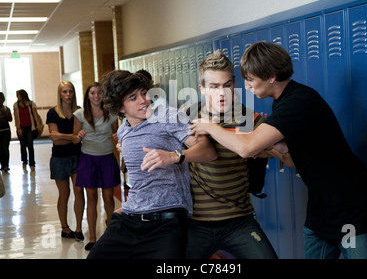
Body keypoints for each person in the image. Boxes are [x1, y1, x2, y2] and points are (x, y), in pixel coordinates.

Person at [189, 42, 367, 259]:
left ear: (271, 76)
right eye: (215, 86)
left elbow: (245, 148)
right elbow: (292, 159)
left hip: (350, 206)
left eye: (250, 79)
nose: (246, 87)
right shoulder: (281, 102)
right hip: (321, 207)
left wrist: (211, 127)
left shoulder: (298, 102)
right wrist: (272, 150)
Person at [87, 70, 217, 259]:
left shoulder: (168, 116)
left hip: (166, 221)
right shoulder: (123, 131)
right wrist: (132, 204)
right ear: (120, 108)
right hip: (129, 218)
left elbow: (208, 151)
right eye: (133, 97)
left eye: (144, 93)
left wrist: (174, 156)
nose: (143, 100)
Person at [182, 50, 278, 259]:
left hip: (239, 220)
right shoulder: (187, 116)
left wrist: (269, 149)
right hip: (195, 223)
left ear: (234, 84)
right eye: (214, 87)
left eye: (227, 85)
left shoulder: (249, 119)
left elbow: (284, 148)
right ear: (203, 89)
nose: (222, 93)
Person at [72, 82, 120, 251]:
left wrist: (117, 137)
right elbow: (74, 139)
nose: (96, 96)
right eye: (92, 93)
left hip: (106, 158)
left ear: (103, 95)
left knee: (108, 198)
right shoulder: (80, 114)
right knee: (91, 198)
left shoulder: (111, 113)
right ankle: (92, 237)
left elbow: (117, 136)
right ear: (88, 95)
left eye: (99, 93)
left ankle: (110, 233)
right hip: (88, 160)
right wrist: (78, 136)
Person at [46, 81, 85, 241]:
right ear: (59, 94)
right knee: (64, 193)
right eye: (64, 92)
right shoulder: (53, 113)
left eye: (70, 91)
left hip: (78, 156)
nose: (68, 95)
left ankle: (78, 227)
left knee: (78, 191)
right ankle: (64, 227)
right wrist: (73, 137)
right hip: (59, 159)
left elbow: (73, 140)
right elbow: (56, 141)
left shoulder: (79, 111)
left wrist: (61, 135)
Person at [13, 89, 43, 172]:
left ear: (23, 95)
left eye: (18, 95)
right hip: (21, 128)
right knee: (23, 146)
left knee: (30, 145)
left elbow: (35, 115)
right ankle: (24, 162)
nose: (17, 97)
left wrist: (38, 125)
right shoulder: (16, 105)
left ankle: (32, 164)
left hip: (30, 127)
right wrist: (18, 128)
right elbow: (16, 117)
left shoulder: (31, 103)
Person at [0, 92, 12, 173]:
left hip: (6, 131)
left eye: (2, 98)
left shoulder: (6, 108)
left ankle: (6, 165)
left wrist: (5, 113)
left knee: (5, 148)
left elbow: (10, 119)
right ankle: (2, 165)